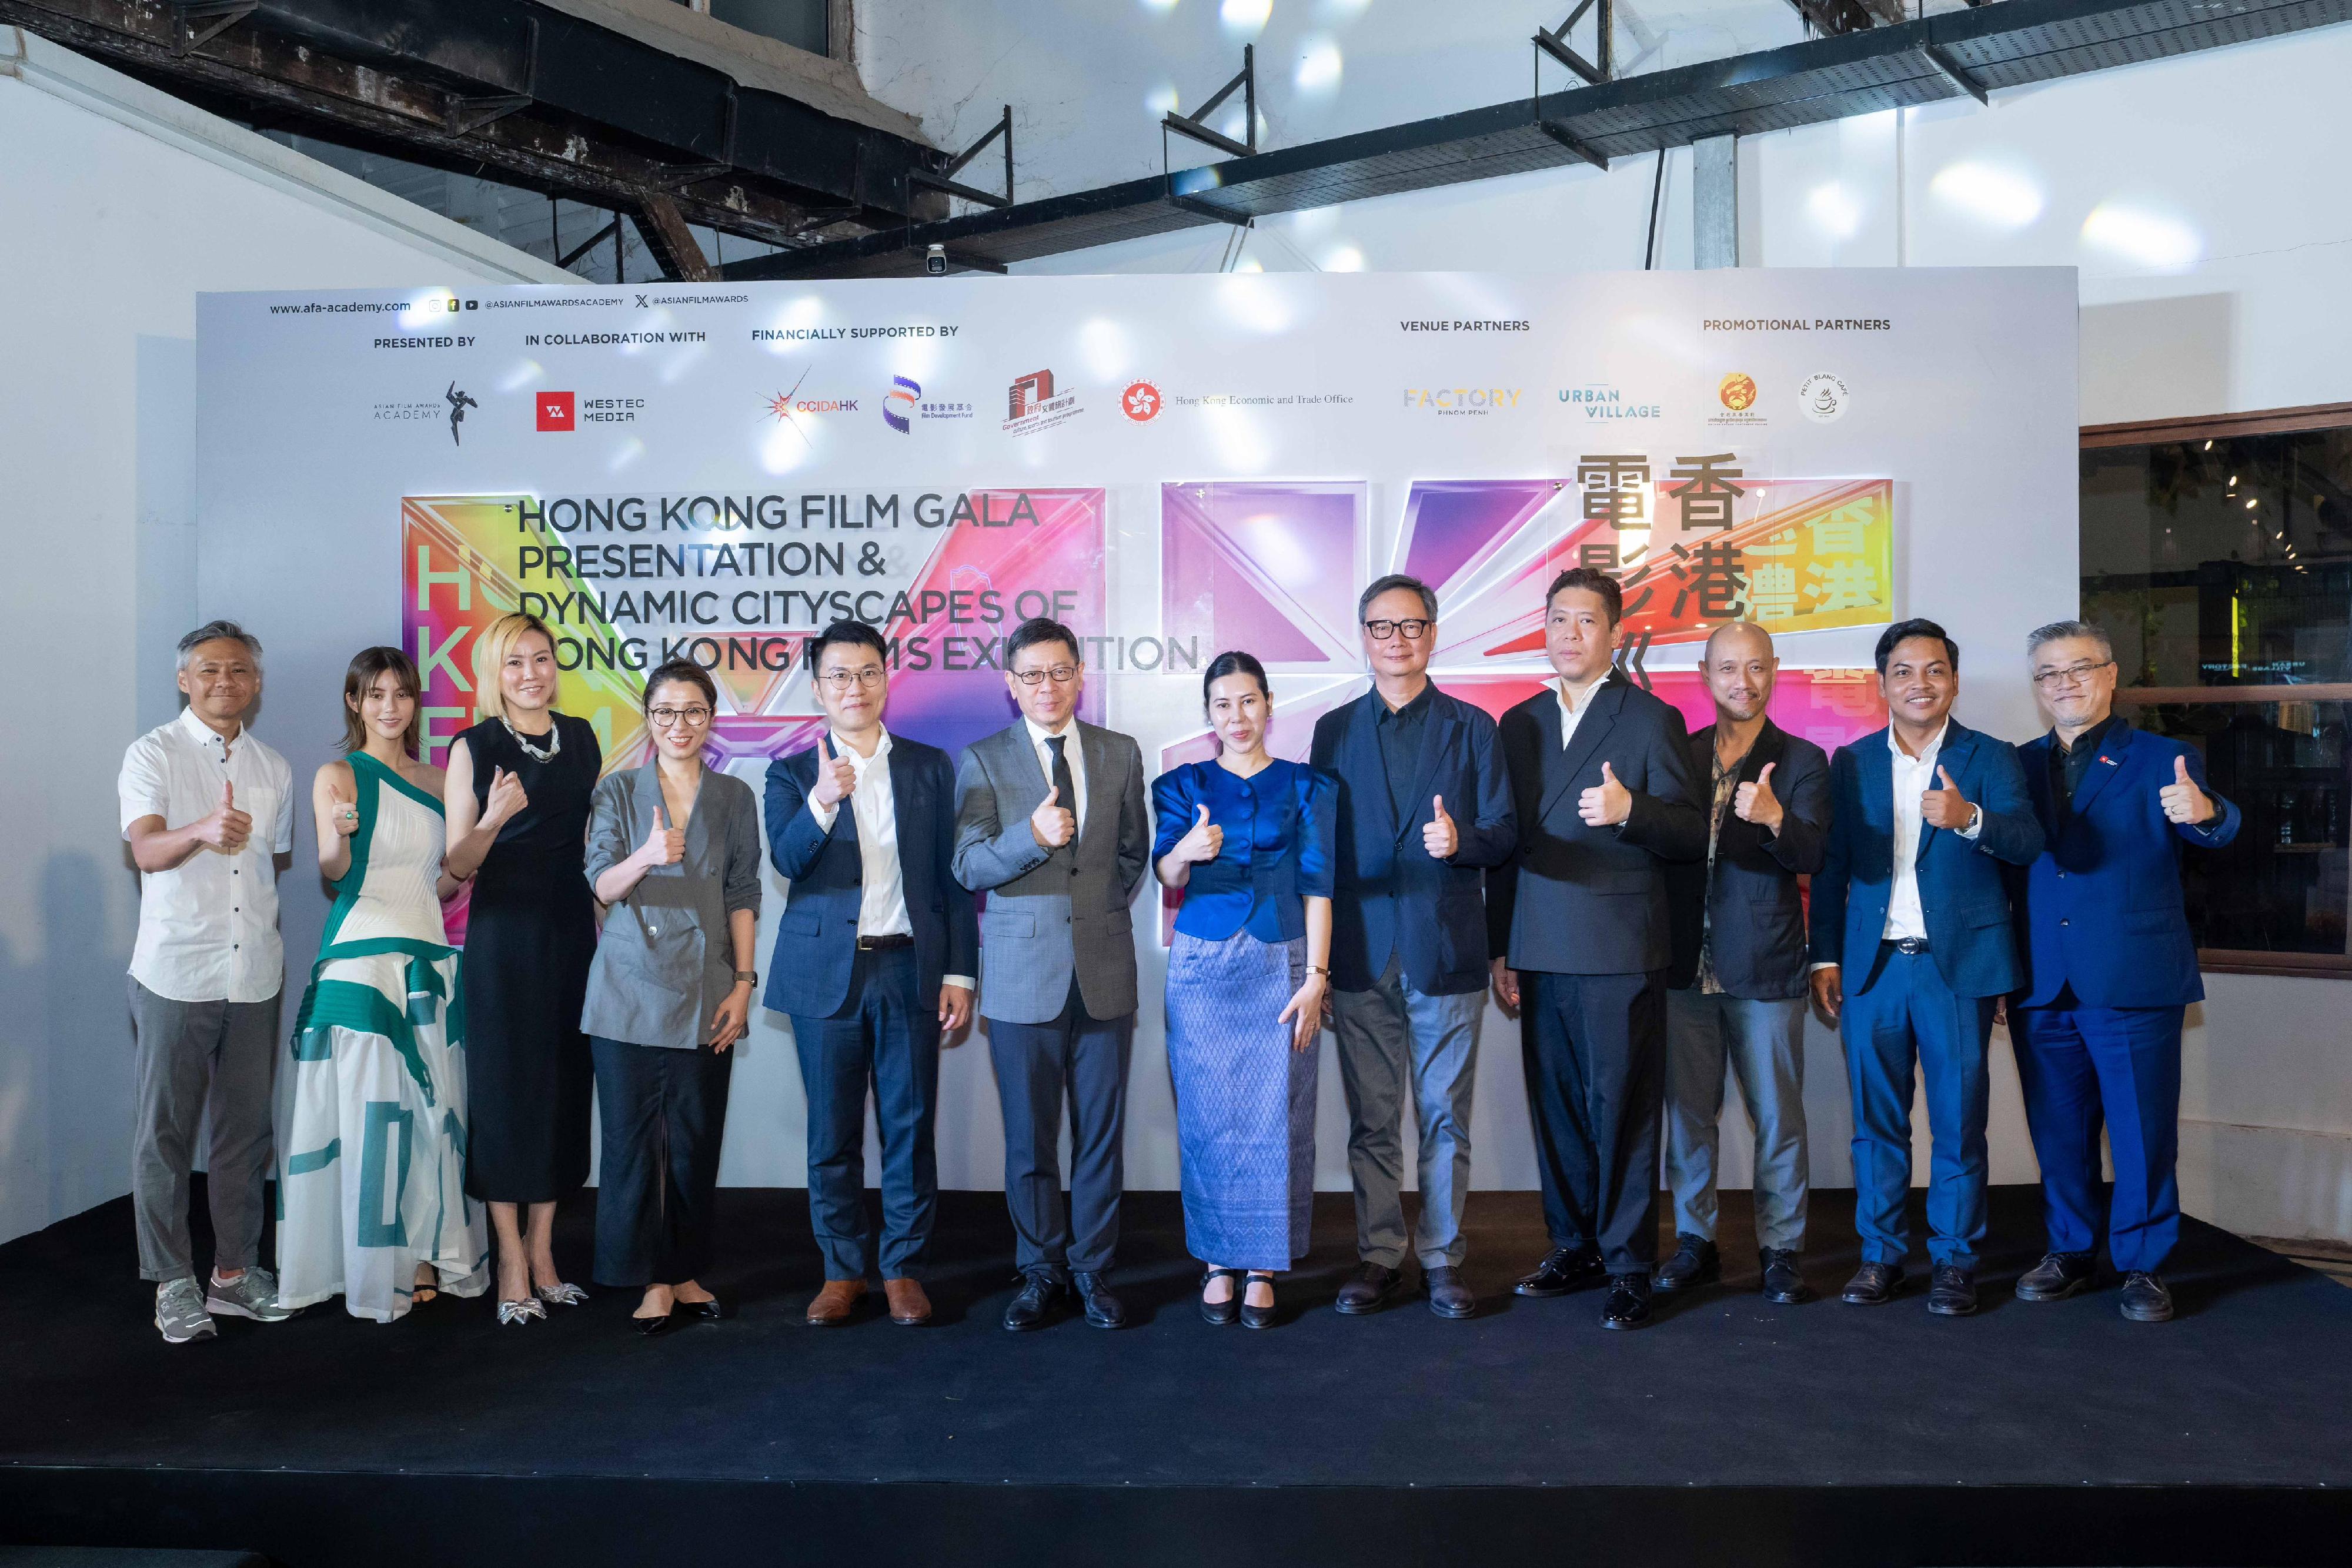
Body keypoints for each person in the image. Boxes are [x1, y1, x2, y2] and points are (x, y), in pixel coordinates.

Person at [1488, 567, 1706, 1331]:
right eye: (1557, 620)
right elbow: (1506, 843)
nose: (1570, 634)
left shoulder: (1650, 719)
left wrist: (1632, 809)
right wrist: (1501, 946)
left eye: (1586, 620)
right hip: (1540, 942)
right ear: (1542, 629)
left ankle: (1629, 1262)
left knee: (1624, 1111)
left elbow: (1691, 832)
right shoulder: (1516, 724)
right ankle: (1572, 1243)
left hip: (1619, 945)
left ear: (1615, 632)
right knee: (1557, 1110)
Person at [1808, 618, 2043, 1317]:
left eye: (1934, 670)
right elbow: (1831, 870)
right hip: (1873, 969)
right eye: (1904, 671)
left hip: (1957, 970)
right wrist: (1825, 955)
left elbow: (2028, 842)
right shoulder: (1848, 763)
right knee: (1873, 1126)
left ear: (1954, 681)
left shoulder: (1991, 758)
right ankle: (1880, 1257)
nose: (1920, 683)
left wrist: (1970, 818)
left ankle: (1953, 1260)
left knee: (1959, 1123)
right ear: (1882, 684)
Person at [2007, 620, 2239, 1323]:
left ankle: (2142, 1265)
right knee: (2057, 1128)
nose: (2065, 683)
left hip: (2133, 977)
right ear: (2037, 687)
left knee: (2141, 1132)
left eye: (2080, 668)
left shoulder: (2163, 756)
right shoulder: (2013, 765)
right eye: (2049, 673)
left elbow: (2215, 828)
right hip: (2040, 981)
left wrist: (2205, 813)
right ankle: (2071, 1252)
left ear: (2111, 676)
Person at [1308, 575, 1515, 1320]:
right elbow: (1317, 853)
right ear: (1363, 637)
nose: (1397, 639)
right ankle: (1378, 1252)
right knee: (1372, 1117)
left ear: (1433, 633)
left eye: (1411, 626)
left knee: (1444, 1117)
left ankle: (1443, 1257)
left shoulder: (1472, 727)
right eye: (1381, 627)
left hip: (1445, 950)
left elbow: (1504, 831)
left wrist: (1463, 842)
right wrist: (1319, 965)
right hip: (1361, 953)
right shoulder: (1333, 732)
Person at [765, 620, 978, 1328]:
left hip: (908, 968)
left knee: (909, 1127)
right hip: (826, 976)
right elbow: (788, 862)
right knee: (831, 1134)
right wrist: (824, 798)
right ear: (817, 688)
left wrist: (960, 973)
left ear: (885, 678)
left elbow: (952, 881)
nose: (853, 688)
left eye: (866, 673)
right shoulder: (790, 772)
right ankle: (840, 1270)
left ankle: (903, 1268)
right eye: (837, 676)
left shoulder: (926, 766)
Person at [277, 647, 488, 1321]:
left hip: (428, 956)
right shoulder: (336, 775)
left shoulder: (436, 779)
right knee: (373, 1120)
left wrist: (486, 832)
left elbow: (448, 881)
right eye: (375, 695)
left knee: (434, 1119)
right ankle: (369, 1266)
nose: (390, 707)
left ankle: (424, 1253)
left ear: (414, 701)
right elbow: (335, 871)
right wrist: (339, 834)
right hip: (362, 959)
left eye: (400, 694)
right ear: (354, 703)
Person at [952, 618, 1151, 1331]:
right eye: (1032, 675)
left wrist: (1090, 916)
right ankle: (1040, 1271)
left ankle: (1093, 1272)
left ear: (1079, 674)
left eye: (1060, 671)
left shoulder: (1119, 753)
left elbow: (1131, 857)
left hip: (1102, 969)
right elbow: (968, 865)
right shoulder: (982, 760)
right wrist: (1029, 838)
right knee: (1029, 1140)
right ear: (1011, 685)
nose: (1048, 686)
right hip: (1019, 976)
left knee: (1100, 1134)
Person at [119, 620, 302, 1342]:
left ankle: (234, 1274)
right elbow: (145, 850)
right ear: (183, 679)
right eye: (209, 670)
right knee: (163, 1134)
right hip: (175, 971)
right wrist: (200, 828)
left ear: (256, 683)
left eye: (238, 671)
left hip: (253, 971)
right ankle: (171, 1282)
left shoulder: (276, 767)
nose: (224, 681)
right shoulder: (151, 754)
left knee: (244, 1134)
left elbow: (271, 862)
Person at [1154, 651, 1337, 1329]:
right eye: (1223, 704)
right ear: (1208, 713)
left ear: (1268, 705)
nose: (1237, 717)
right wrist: (1186, 852)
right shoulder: (1180, 784)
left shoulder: (1310, 786)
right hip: (1201, 967)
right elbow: (1167, 876)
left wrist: (1317, 979)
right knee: (1208, 1118)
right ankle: (1217, 1260)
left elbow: (1319, 888)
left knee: (1279, 1116)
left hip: (1285, 960)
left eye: (1249, 702)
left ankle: (1263, 1263)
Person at [582, 661, 762, 1336]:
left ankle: (685, 1271)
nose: (678, 726)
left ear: (711, 719)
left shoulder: (734, 797)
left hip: (709, 989)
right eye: (664, 713)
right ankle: (650, 1280)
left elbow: (744, 895)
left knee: (692, 1140)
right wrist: (648, 855)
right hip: (627, 988)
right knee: (633, 1144)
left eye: (692, 712)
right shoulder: (618, 792)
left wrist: (743, 987)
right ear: (648, 720)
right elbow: (600, 885)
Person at [1656, 621, 1831, 1305]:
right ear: (1705, 675)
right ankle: (1695, 1242)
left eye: (1754, 667)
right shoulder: (1678, 755)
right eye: (1727, 668)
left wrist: (1775, 816)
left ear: (1774, 671)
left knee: (1777, 1117)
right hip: (1681, 969)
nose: (1742, 681)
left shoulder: (1804, 759)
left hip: (1763, 966)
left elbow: (1813, 854)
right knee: (1688, 1117)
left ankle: (1781, 1250)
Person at [443, 611, 602, 1325]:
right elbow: (456, 865)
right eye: (514, 663)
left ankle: (545, 1252)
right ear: (493, 673)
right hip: (503, 940)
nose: (530, 674)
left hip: (571, 934)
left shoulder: (585, 738)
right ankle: (507, 1256)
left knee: (564, 1092)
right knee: (508, 1096)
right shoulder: (473, 746)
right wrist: (494, 817)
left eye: (540, 659)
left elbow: (590, 846)